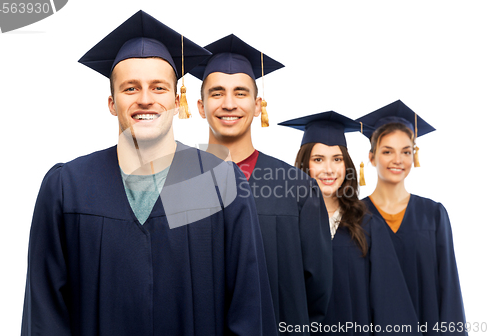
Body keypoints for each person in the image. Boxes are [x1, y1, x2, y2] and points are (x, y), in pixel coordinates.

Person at [21, 11, 277, 336]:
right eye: (131, 88)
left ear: (176, 99)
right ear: (112, 103)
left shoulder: (220, 184)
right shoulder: (67, 189)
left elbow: (250, 310)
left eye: (158, 88)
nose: (145, 99)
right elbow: (44, 316)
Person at [191, 34, 332, 335]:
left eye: (240, 93)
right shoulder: (177, 185)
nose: (229, 104)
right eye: (217, 94)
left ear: (258, 106)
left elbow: (317, 294)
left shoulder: (298, 189)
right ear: (200, 107)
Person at [280, 111, 421, 335]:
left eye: (337, 159)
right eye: (318, 159)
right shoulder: (285, 224)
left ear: (346, 166)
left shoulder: (367, 225)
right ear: (304, 165)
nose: (329, 169)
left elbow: (389, 302)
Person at [357, 100, 467, 335]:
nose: (398, 160)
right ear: (372, 157)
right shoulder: (354, 216)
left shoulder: (433, 215)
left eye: (406, 151)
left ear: (413, 156)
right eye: (387, 151)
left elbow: (449, 291)